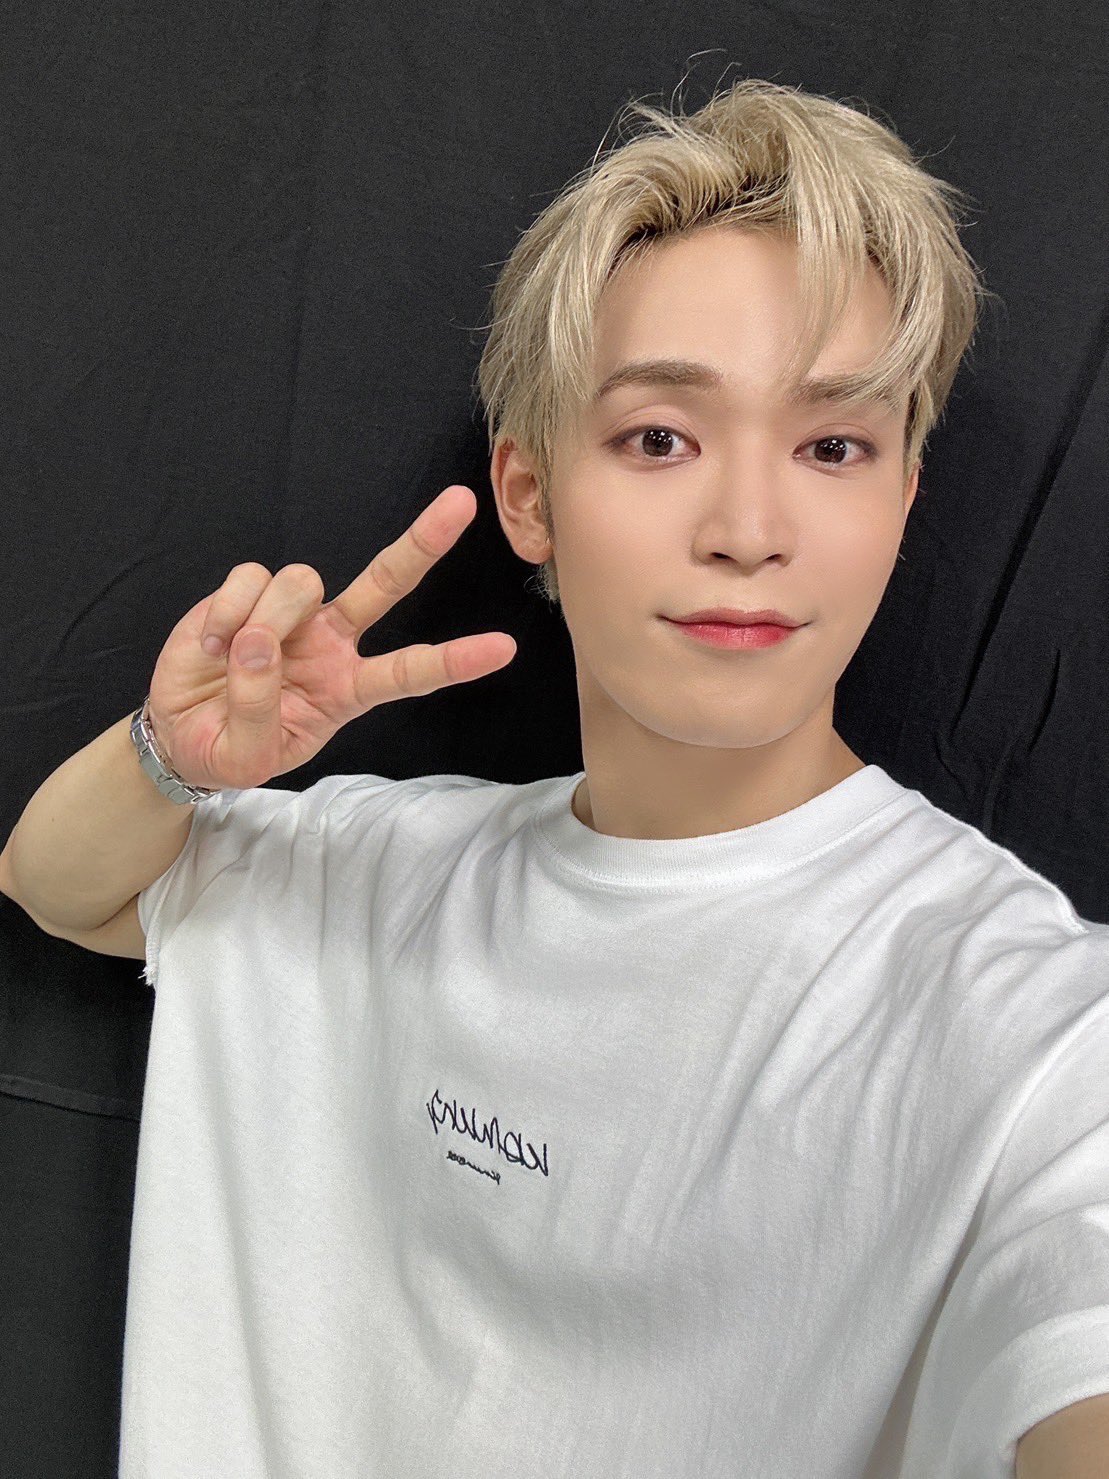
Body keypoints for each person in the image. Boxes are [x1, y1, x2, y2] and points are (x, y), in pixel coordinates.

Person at [2, 77, 1108, 1479]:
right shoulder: (374, 867)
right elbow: (52, 883)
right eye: (659, 438)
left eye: (833, 445)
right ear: (528, 494)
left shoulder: (1038, 1034)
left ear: (901, 498)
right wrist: (175, 758)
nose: (748, 527)